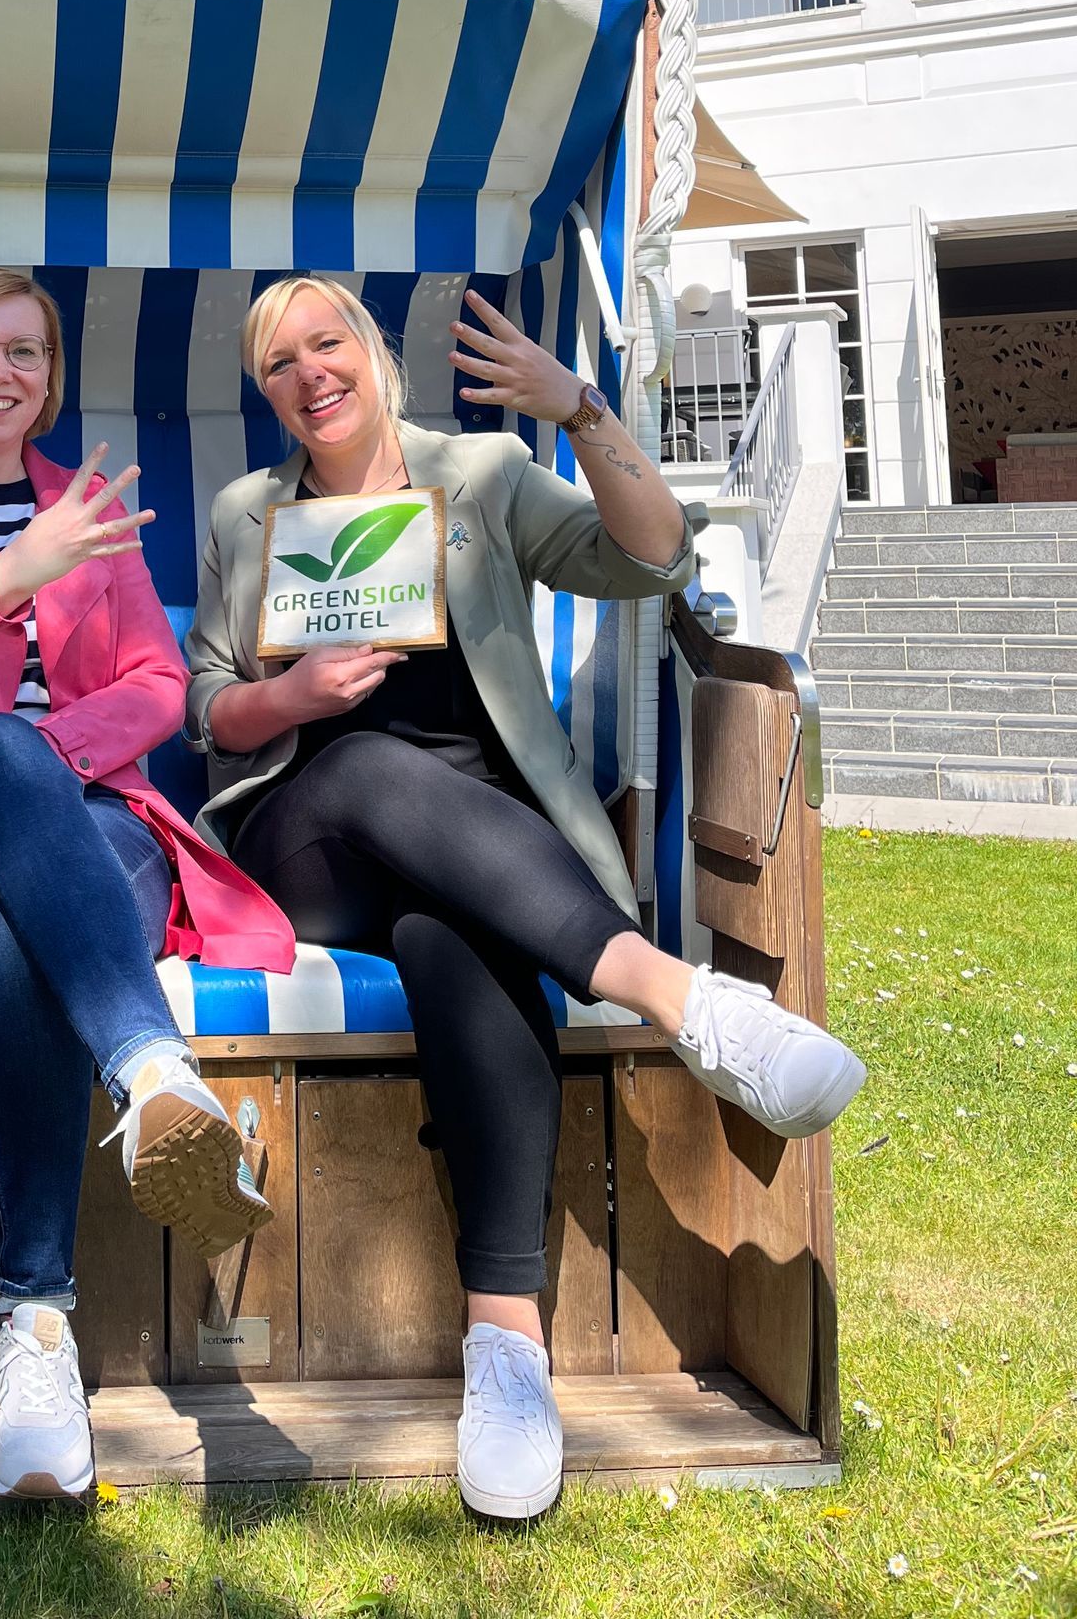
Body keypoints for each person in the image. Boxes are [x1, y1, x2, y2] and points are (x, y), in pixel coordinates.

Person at [187, 275, 865, 1525]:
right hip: (309, 833)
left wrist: (581, 409)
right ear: (266, 391)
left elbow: (653, 559)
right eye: (279, 362)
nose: (309, 373)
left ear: (372, 352)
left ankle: (506, 1349)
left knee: (454, 926)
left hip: (485, 843)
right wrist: (292, 697)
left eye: (327, 342)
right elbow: (207, 708)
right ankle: (687, 1002)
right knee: (371, 763)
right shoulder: (246, 512)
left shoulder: (486, 473)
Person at [0, 269, 293, 1505]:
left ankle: (36, 1333)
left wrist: (46, 759)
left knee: (6, 951)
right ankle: (150, 1070)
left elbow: (158, 684)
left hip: (101, 824)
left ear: (48, 379)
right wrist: (9, 578)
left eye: (25, 352)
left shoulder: (86, 508)